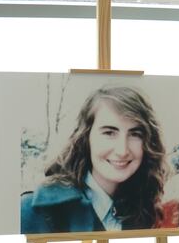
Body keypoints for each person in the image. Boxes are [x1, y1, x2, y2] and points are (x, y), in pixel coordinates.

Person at [21, 86, 170, 233]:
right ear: (86, 137)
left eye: (135, 134)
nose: (122, 150)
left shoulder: (147, 212)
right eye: (109, 132)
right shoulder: (33, 213)